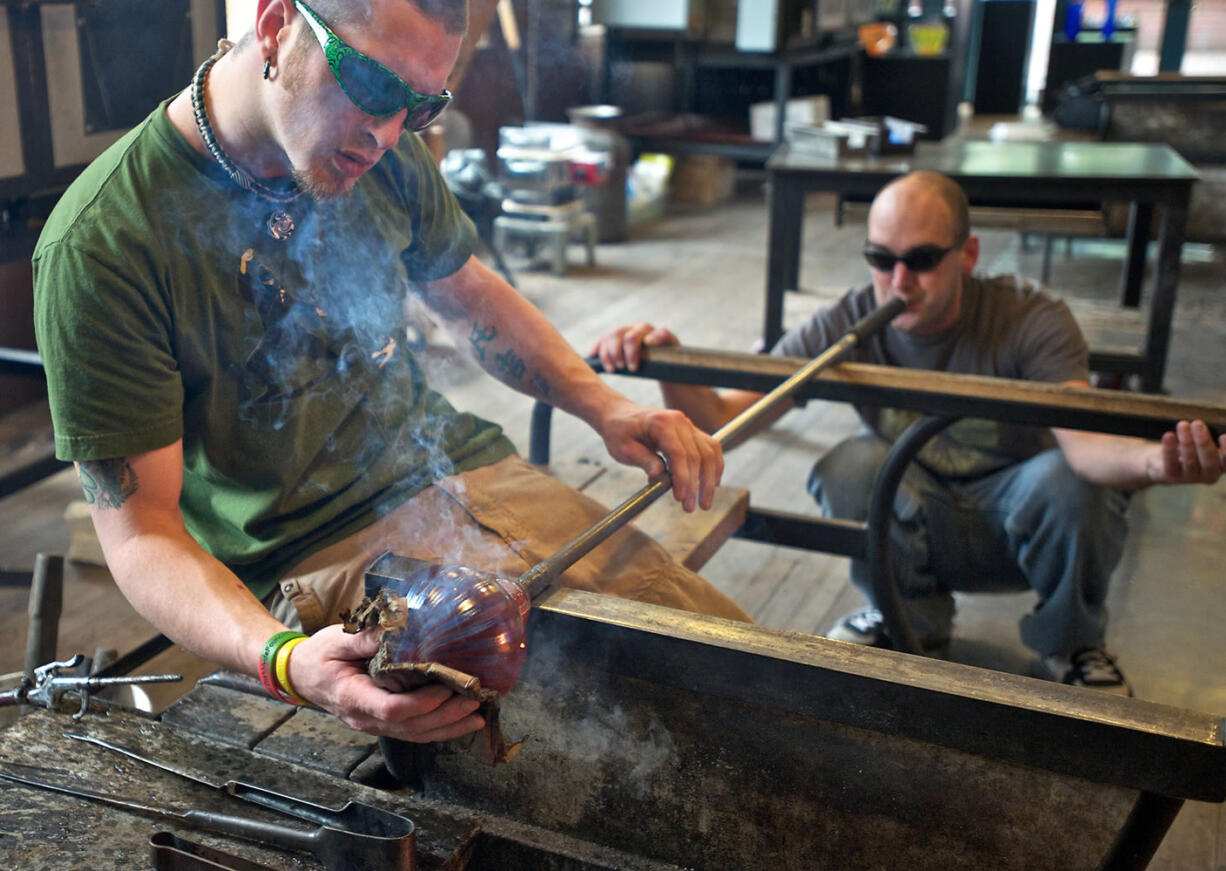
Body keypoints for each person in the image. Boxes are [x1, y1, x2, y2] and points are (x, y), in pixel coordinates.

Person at [32, 0, 749, 745]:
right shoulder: (107, 242)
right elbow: (141, 532)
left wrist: (606, 406)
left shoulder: (382, 142)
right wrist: (283, 661)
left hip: (473, 478)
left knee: (730, 660)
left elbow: (468, 295)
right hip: (316, 554)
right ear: (278, 25)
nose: (386, 133)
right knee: (592, 733)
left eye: (422, 104)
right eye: (372, 86)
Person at [593, 170, 1225, 695]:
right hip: (920, 508)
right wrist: (666, 362)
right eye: (881, 259)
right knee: (851, 465)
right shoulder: (851, 320)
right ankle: (906, 621)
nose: (899, 282)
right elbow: (728, 420)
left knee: (1070, 483)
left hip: (1021, 519)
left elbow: (1086, 449)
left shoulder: (1030, 318)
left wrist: (1157, 464)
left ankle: (1073, 643)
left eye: (922, 260)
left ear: (967, 255)